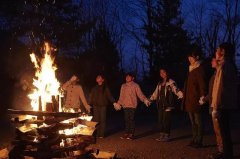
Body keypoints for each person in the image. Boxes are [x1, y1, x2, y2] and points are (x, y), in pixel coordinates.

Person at [207, 43, 238, 159]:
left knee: (224, 131)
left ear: (223, 51)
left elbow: (219, 88)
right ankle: (226, 153)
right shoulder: (228, 65)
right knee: (225, 131)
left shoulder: (224, 66)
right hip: (225, 104)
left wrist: (215, 106)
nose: (216, 52)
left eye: (217, 50)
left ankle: (227, 154)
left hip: (222, 105)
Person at [182, 45, 207, 148]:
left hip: (196, 100)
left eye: (191, 57)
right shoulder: (191, 69)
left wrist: (202, 97)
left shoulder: (199, 69)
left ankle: (199, 141)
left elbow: (202, 85)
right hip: (189, 100)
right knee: (193, 122)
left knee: (198, 121)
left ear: (197, 57)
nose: (189, 59)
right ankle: (194, 138)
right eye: (188, 57)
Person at [150, 68, 183, 142]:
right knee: (160, 120)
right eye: (160, 72)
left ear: (167, 73)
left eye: (163, 72)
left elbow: (176, 89)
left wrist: (180, 94)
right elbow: (155, 93)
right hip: (160, 104)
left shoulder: (171, 82)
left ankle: (167, 136)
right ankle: (162, 135)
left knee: (166, 120)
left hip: (168, 104)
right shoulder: (159, 83)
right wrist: (150, 99)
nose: (162, 74)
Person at [116, 72, 150, 140]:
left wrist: (145, 100)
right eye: (126, 77)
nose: (127, 78)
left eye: (129, 77)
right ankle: (126, 133)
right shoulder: (123, 85)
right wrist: (119, 103)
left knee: (131, 120)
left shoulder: (135, 85)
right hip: (125, 105)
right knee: (126, 120)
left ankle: (131, 134)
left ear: (133, 78)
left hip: (132, 105)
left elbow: (140, 94)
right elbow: (121, 96)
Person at [89, 74, 118, 138]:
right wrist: (89, 104)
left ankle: (101, 134)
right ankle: (97, 134)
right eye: (97, 77)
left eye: (99, 77)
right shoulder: (94, 88)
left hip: (103, 106)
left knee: (102, 120)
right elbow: (91, 96)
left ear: (102, 80)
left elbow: (109, 96)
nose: (98, 77)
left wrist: (114, 102)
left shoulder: (105, 88)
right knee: (96, 120)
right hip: (95, 105)